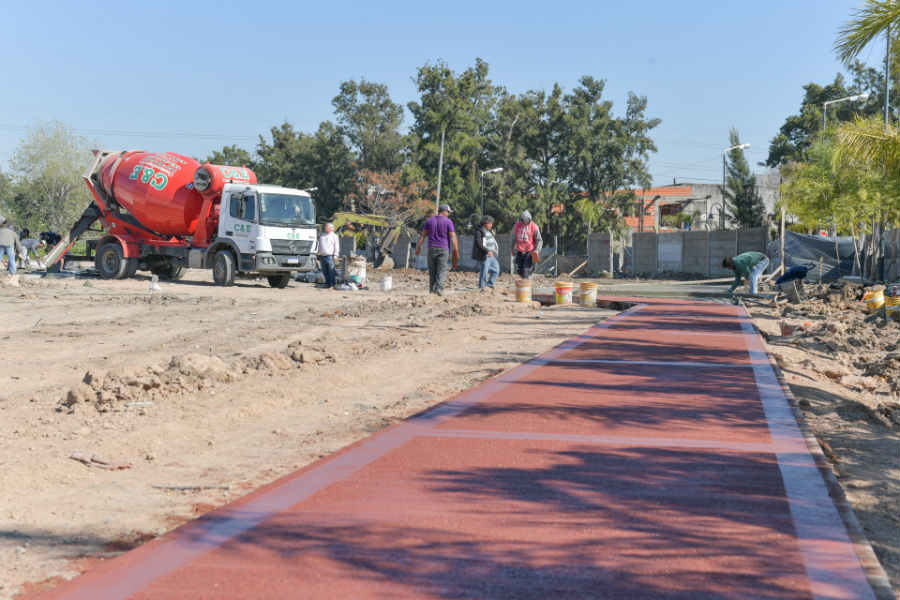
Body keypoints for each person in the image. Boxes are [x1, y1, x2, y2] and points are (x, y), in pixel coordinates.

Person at [415, 204, 458, 296]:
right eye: (448, 212)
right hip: (443, 249)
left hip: (431, 248)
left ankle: (432, 290)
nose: (449, 214)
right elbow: (453, 236)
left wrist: (418, 247)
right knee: (441, 270)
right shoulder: (448, 222)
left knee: (432, 271)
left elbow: (423, 235)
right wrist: (456, 249)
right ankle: (439, 289)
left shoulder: (429, 221)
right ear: (444, 211)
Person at [472, 215, 500, 290]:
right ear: (485, 223)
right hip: (484, 254)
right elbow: (479, 243)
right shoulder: (479, 231)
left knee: (496, 269)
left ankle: (489, 284)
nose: (491, 225)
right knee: (484, 271)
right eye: (490, 223)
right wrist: (487, 251)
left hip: (491, 254)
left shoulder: (489, 230)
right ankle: (482, 287)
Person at [513, 210, 542, 279]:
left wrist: (537, 250)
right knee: (519, 271)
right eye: (524, 220)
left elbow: (539, 240)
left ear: (530, 219)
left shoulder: (534, 227)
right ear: (521, 220)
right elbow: (513, 238)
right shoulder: (517, 226)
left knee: (525, 270)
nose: (525, 222)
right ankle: (526, 279)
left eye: (527, 220)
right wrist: (512, 249)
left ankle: (526, 286)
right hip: (519, 251)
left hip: (529, 251)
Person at [317, 222, 340, 288]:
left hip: (330, 256)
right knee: (325, 271)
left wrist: (336, 255)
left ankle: (332, 284)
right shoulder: (322, 235)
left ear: (331, 228)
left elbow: (336, 246)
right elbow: (319, 245)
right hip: (322, 256)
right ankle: (327, 284)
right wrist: (318, 253)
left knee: (331, 271)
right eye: (325, 226)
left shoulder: (334, 236)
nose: (325, 228)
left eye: (327, 227)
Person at [0, 218, 21, 286]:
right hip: (9, 245)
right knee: (12, 260)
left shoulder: (0, 230)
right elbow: (17, 242)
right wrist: (19, 250)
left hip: (0, 244)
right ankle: (13, 274)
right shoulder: (13, 233)